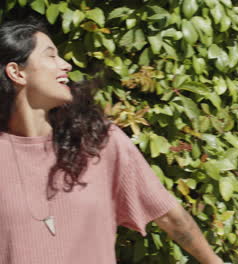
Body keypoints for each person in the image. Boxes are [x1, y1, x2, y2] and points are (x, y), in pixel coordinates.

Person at [0, 18, 223, 264]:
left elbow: (168, 215)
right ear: (16, 72)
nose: (66, 65)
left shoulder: (97, 142)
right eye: (51, 56)